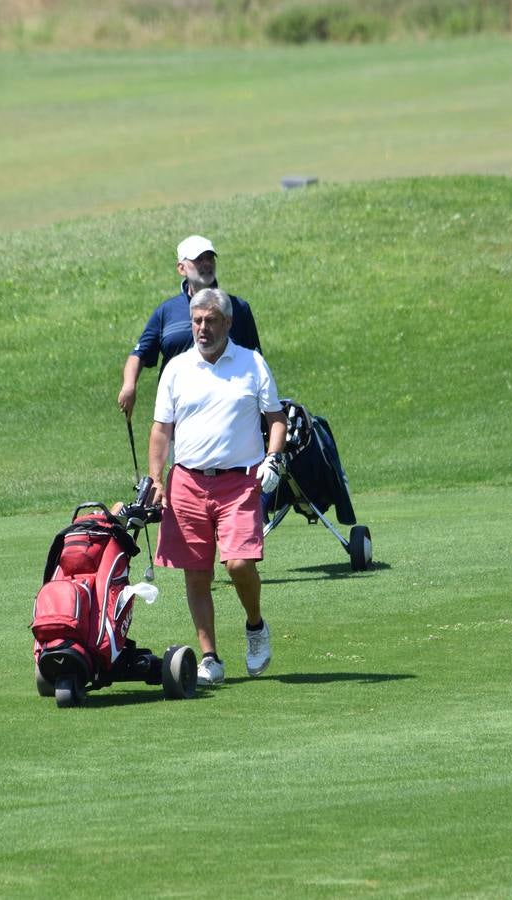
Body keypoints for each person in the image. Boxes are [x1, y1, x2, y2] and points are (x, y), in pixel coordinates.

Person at [148, 288, 287, 686]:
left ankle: (256, 626)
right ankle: (210, 657)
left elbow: (276, 419)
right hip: (187, 481)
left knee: (239, 563)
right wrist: (156, 478)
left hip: (240, 481)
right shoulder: (177, 368)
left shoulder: (251, 363)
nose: (202, 328)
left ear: (227, 323)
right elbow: (161, 430)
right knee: (195, 574)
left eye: (210, 321)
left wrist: (273, 458)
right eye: (196, 321)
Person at [118, 235, 262, 418]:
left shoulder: (238, 308)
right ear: (181, 268)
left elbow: (256, 360)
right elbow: (139, 354)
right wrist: (129, 385)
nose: (206, 264)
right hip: (180, 415)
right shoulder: (166, 311)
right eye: (198, 259)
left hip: (228, 415)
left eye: (210, 258)